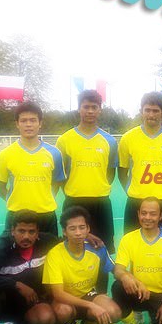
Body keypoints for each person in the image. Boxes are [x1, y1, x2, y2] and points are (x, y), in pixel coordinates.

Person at [42, 206, 121, 324]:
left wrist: (128, 278)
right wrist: (92, 306)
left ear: (88, 229)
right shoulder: (55, 254)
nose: (78, 233)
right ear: (64, 232)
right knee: (63, 312)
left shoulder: (97, 248)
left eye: (82, 227)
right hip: (65, 299)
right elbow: (58, 294)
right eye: (72, 229)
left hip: (88, 294)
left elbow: (115, 269)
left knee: (114, 313)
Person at [56, 89, 118, 255]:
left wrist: (97, 186)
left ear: (100, 110)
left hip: (101, 203)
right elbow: (61, 174)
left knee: (103, 249)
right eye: (86, 107)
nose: (90, 111)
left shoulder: (109, 141)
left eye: (94, 107)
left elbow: (110, 173)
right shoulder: (64, 140)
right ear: (79, 109)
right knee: (73, 250)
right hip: (74, 202)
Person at [111, 197, 162, 324]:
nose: (147, 217)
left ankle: (155, 317)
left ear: (160, 216)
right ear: (138, 214)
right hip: (140, 293)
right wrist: (130, 279)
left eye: (153, 214)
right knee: (118, 286)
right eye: (144, 213)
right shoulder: (128, 239)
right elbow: (118, 269)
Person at [0, 101, 65, 236]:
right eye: (24, 120)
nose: (28, 124)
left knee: (49, 250)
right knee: (13, 251)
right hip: (16, 216)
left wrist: (44, 199)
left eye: (33, 120)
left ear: (40, 123)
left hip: (46, 215)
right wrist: (15, 201)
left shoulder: (54, 153)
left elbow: (56, 182)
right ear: (17, 124)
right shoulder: (6, 154)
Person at [118, 91, 162, 234]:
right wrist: (133, 190)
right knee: (132, 243)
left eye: (155, 111)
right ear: (141, 111)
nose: (151, 115)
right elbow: (122, 172)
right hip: (136, 201)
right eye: (147, 110)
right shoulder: (128, 138)